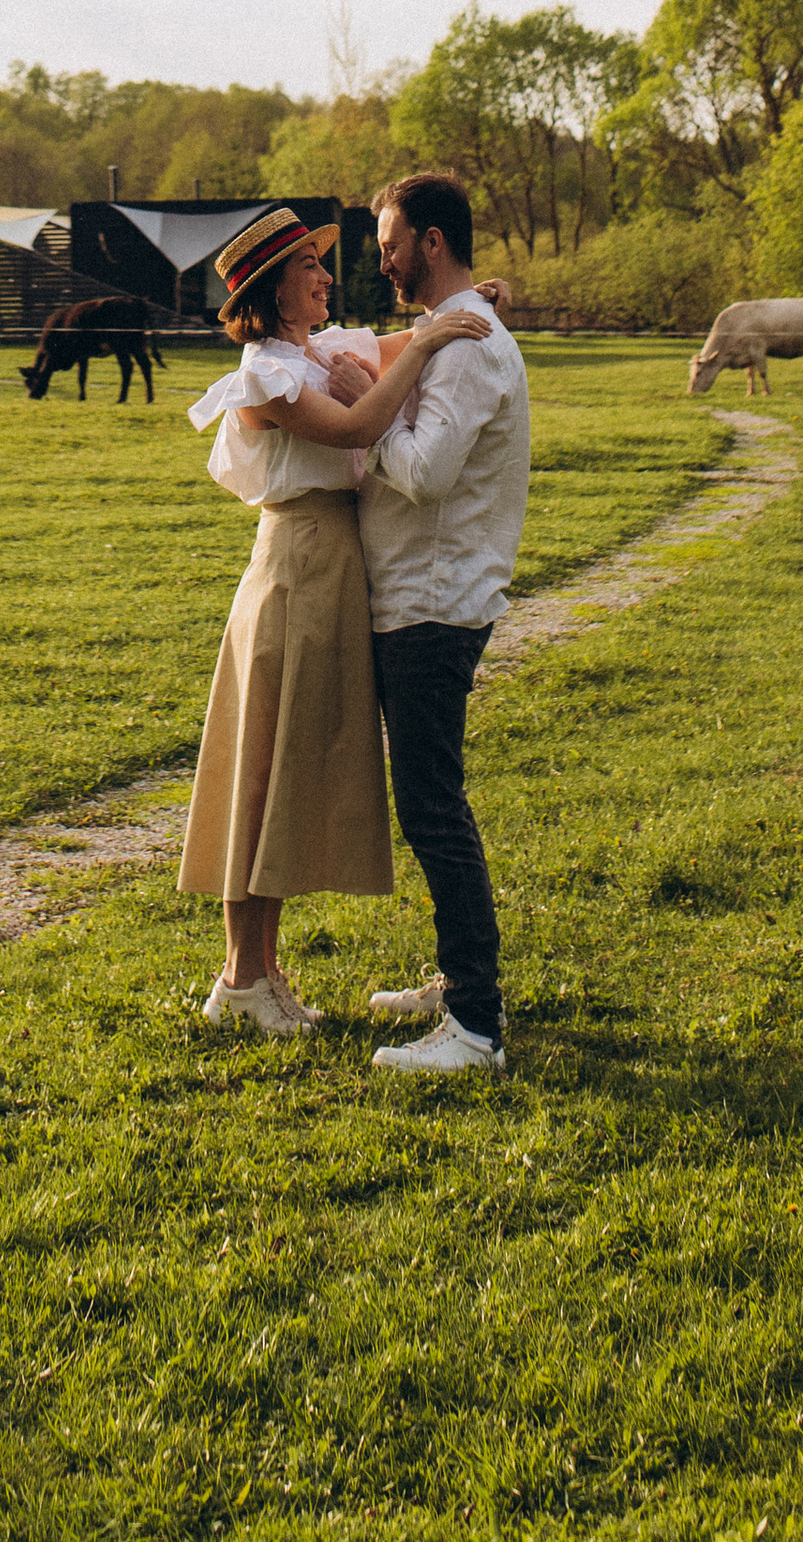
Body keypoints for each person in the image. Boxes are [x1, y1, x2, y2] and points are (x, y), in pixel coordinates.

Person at [178, 206, 492, 1037]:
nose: (325, 277)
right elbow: (356, 423)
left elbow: (381, 356)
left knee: (283, 768)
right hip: (299, 567)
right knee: (265, 770)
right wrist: (425, 344)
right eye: (308, 268)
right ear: (273, 290)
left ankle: (254, 975)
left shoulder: (314, 352)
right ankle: (244, 978)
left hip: (325, 566)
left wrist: (455, 312)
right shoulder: (266, 375)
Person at [347, 170, 531, 1078]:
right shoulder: (446, 332)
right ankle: (461, 983)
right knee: (430, 805)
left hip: (434, 601)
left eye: (389, 239)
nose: (378, 255)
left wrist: (358, 422)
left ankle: (476, 1024)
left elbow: (423, 472)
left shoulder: (464, 346)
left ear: (430, 242)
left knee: (433, 808)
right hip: (419, 597)